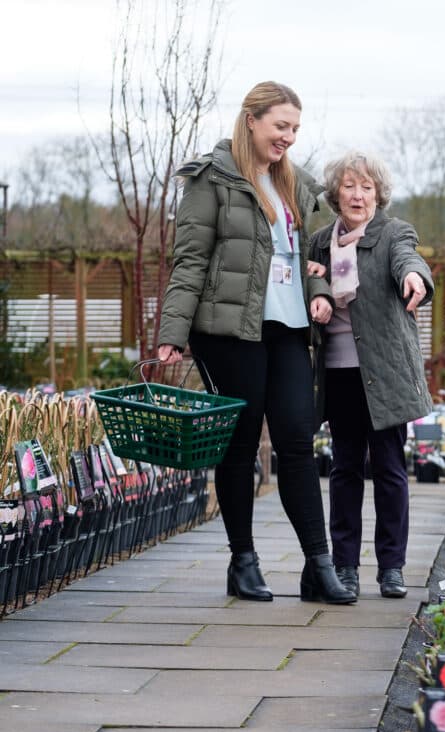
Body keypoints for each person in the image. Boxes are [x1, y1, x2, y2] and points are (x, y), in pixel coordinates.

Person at [157, 81, 355, 605]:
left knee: (295, 438)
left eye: (294, 128)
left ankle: (318, 566)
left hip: (288, 328)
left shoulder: (293, 182)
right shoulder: (212, 179)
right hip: (229, 332)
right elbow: (190, 261)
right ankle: (242, 562)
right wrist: (172, 335)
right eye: (280, 126)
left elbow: (303, 257)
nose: (288, 137)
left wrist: (318, 291)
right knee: (241, 444)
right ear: (251, 120)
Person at [307, 151, 434, 600]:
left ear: (378, 194)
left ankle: (392, 568)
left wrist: (415, 279)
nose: (358, 195)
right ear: (335, 194)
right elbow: (307, 279)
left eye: (366, 187)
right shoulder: (319, 241)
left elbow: (408, 259)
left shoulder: (393, 233)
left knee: (389, 469)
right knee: (343, 469)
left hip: (386, 373)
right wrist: (317, 291)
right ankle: (344, 566)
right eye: (349, 186)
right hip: (339, 372)